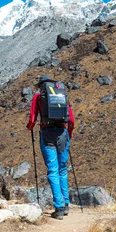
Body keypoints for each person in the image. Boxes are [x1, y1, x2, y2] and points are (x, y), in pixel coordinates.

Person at [27, 75, 75, 220]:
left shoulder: (38, 96)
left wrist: (30, 127)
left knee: (53, 170)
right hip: (63, 134)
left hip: (47, 134)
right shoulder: (61, 94)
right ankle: (66, 204)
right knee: (62, 169)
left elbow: (32, 119)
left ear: (41, 85)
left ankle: (58, 208)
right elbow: (71, 119)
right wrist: (69, 135)